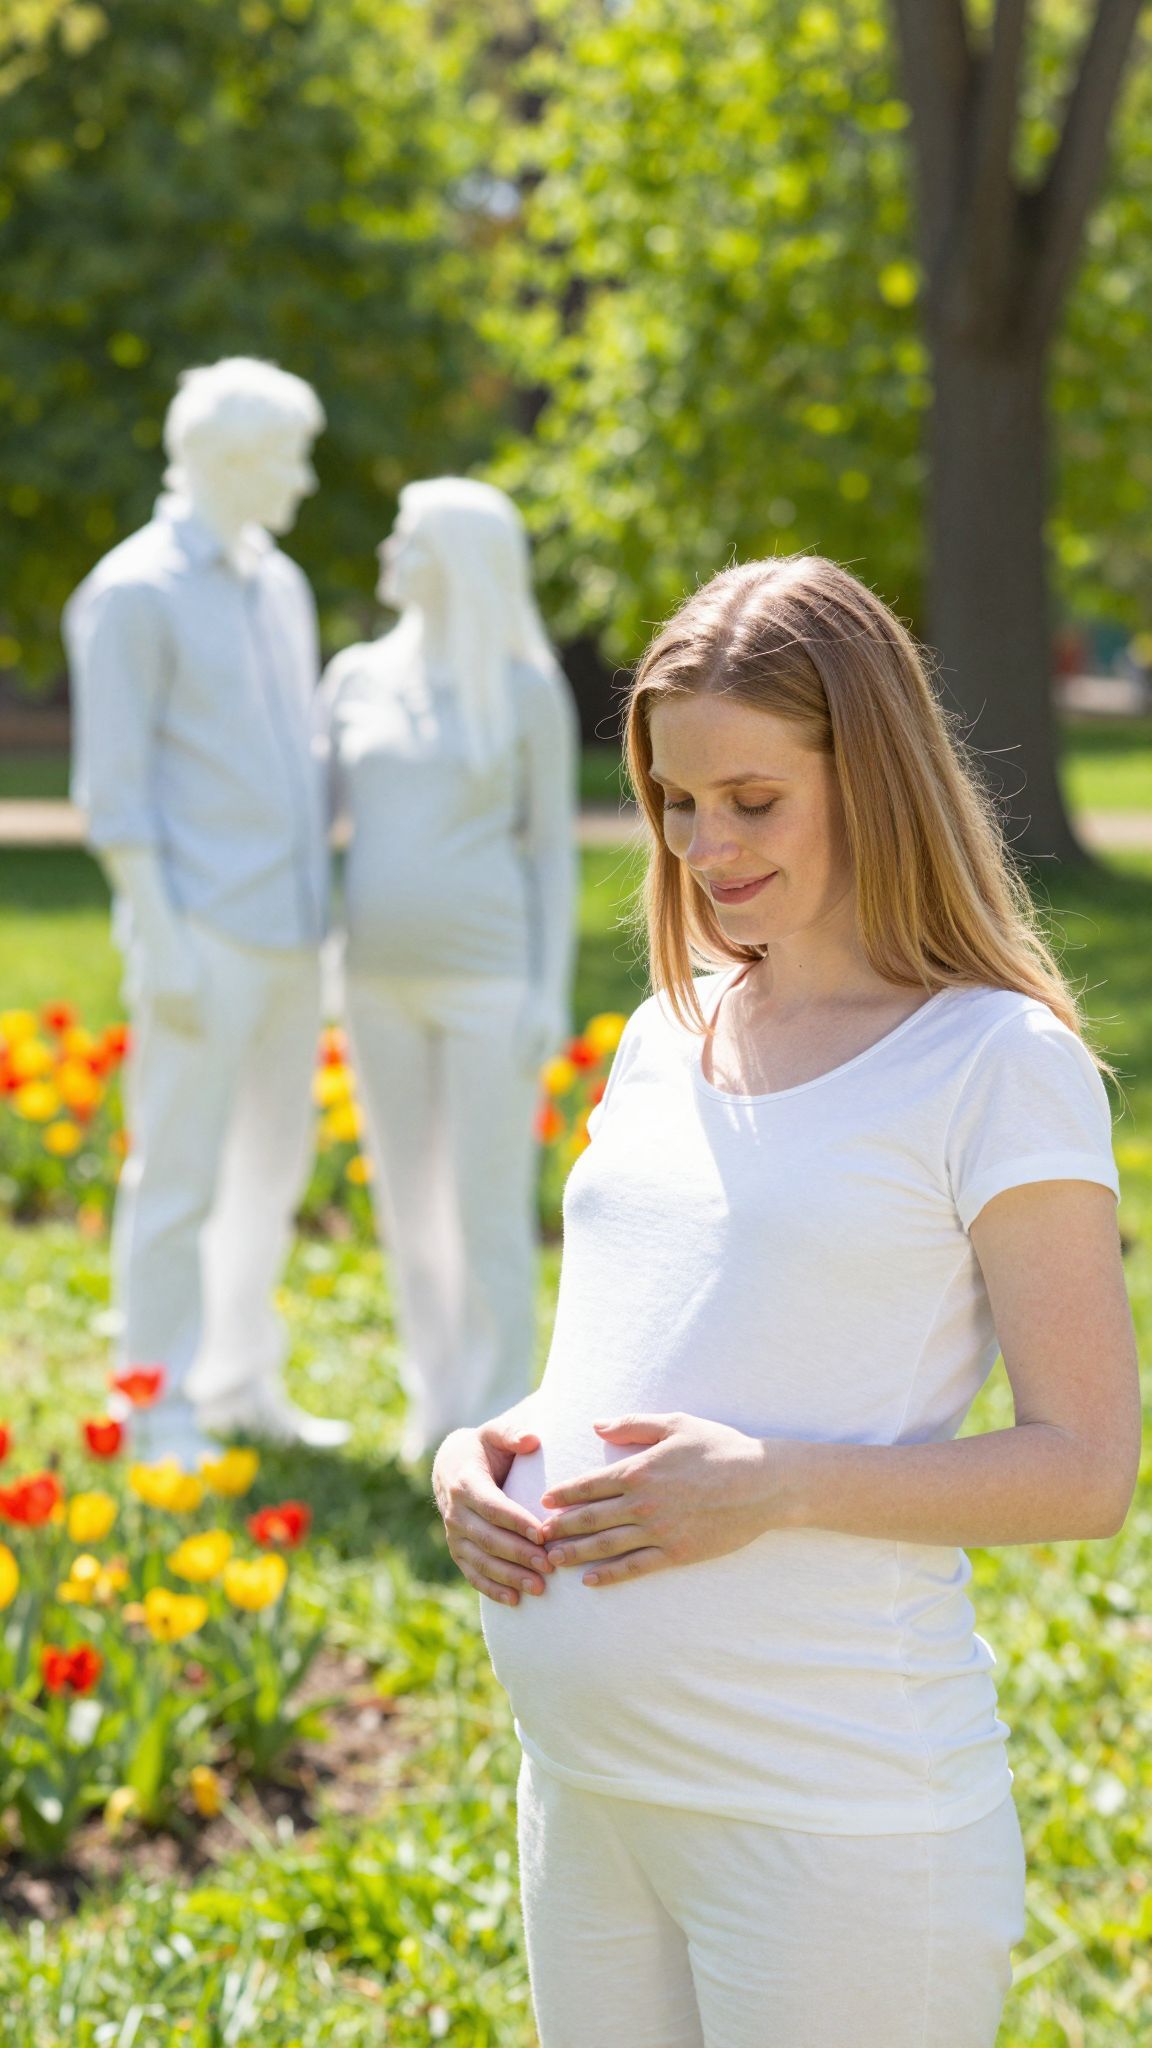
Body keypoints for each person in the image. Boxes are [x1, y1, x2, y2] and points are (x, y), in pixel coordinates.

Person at [431, 555, 1140, 2048]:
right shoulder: (660, 1037)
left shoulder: (996, 1065)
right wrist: (482, 1454)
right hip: (590, 1794)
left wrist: (773, 1490)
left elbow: (1084, 1471)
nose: (705, 845)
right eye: (678, 803)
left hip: (831, 1817)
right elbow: (629, 1347)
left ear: (870, 772)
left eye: (752, 801)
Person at [65, 355, 349, 1465]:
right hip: (201, 934)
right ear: (231, 459)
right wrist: (165, 943)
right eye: (289, 456)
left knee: (271, 1172)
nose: (302, 480)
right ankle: (156, 1404)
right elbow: (114, 795)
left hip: (285, 934)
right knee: (178, 1176)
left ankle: (237, 1377)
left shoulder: (277, 582)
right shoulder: (134, 591)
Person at [321, 478, 579, 1461]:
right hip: (375, 983)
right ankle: (434, 1404)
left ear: (460, 561)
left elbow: (552, 848)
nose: (390, 549)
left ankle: (502, 1407)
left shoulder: (525, 691)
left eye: (409, 535)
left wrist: (547, 990)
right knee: (408, 1202)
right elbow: (313, 829)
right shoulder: (352, 678)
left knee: (485, 1202)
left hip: (488, 982)